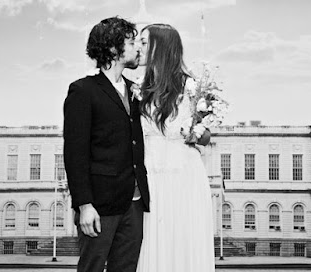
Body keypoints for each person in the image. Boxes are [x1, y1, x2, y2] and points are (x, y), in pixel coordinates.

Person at [63, 17, 150, 272]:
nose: (137, 48)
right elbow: (75, 153)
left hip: (134, 203)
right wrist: (84, 205)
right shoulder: (83, 91)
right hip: (99, 205)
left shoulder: (136, 91)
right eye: (132, 42)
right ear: (113, 48)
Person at [136, 24, 216, 272]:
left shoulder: (191, 88)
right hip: (150, 178)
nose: (138, 47)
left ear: (161, 47)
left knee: (183, 240)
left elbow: (206, 134)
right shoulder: (139, 88)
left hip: (184, 177)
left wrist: (197, 134)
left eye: (145, 42)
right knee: (151, 241)